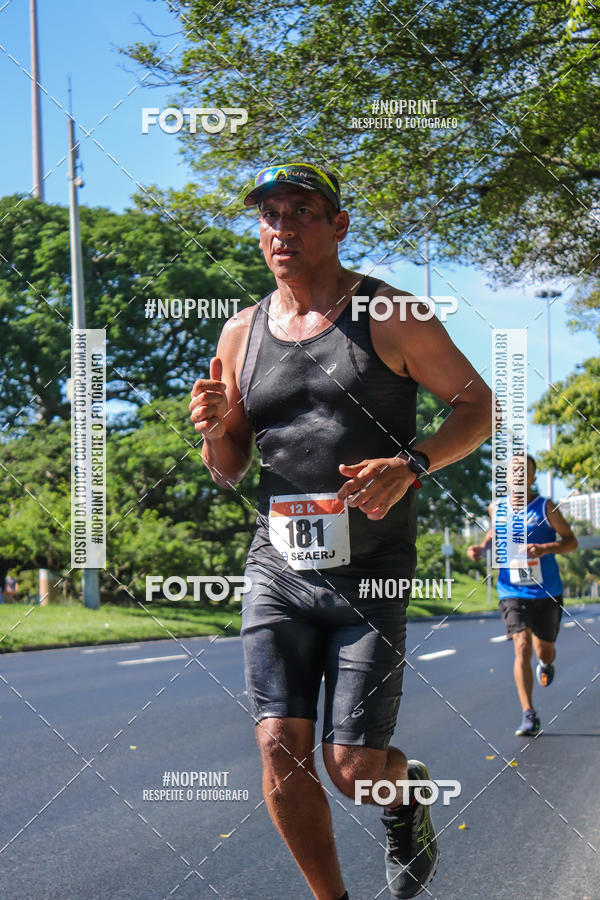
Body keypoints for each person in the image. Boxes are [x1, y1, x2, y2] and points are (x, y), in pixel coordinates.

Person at [190, 162, 492, 899]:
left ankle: (406, 792)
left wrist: (412, 464)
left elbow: (477, 406)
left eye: (301, 212)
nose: (282, 227)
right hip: (278, 567)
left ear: (338, 226)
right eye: (270, 215)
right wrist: (213, 431)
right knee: (277, 747)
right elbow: (229, 469)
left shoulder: (391, 315)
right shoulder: (240, 333)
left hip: (371, 571)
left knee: (354, 770)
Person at [468, 454, 577, 737]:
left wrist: (545, 549)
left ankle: (547, 663)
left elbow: (571, 542)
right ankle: (529, 714)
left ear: (531, 478)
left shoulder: (545, 508)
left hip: (546, 591)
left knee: (544, 650)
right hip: (510, 589)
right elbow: (494, 532)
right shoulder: (497, 508)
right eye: (512, 472)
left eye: (523, 472)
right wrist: (482, 548)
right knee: (521, 646)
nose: (517, 476)